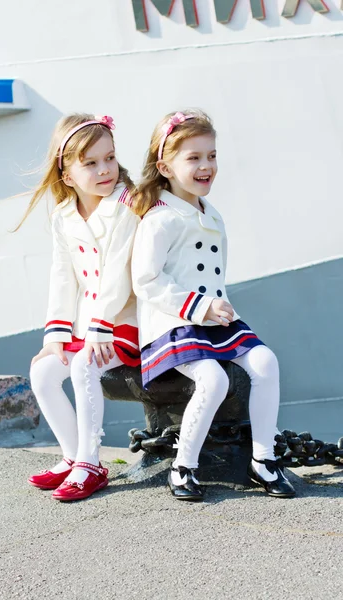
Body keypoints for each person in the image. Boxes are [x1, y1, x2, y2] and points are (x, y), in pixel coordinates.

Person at [131, 110, 295, 501]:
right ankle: (183, 466)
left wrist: (217, 308)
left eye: (212, 155)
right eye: (194, 158)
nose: (206, 166)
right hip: (174, 323)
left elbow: (212, 277)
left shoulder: (212, 214)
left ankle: (263, 459)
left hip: (213, 318)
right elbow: (146, 280)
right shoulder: (160, 219)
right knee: (214, 379)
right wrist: (199, 307)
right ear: (165, 166)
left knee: (266, 362)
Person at [23, 113, 139, 501]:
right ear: (68, 174)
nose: (105, 169)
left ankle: (91, 463)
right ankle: (72, 457)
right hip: (86, 324)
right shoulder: (64, 215)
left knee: (83, 363)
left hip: (123, 320)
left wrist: (99, 327)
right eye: (90, 163)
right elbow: (62, 275)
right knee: (41, 371)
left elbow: (119, 274)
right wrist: (56, 334)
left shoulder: (127, 204)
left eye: (109, 158)